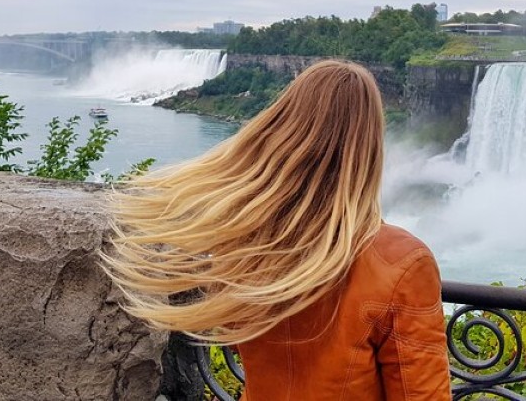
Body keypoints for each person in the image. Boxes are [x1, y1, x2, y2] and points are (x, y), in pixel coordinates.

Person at [101, 60, 452, 400]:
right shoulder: (403, 263)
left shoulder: (247, 242)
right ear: (370, 145)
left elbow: (239, 340)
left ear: (282, 129)